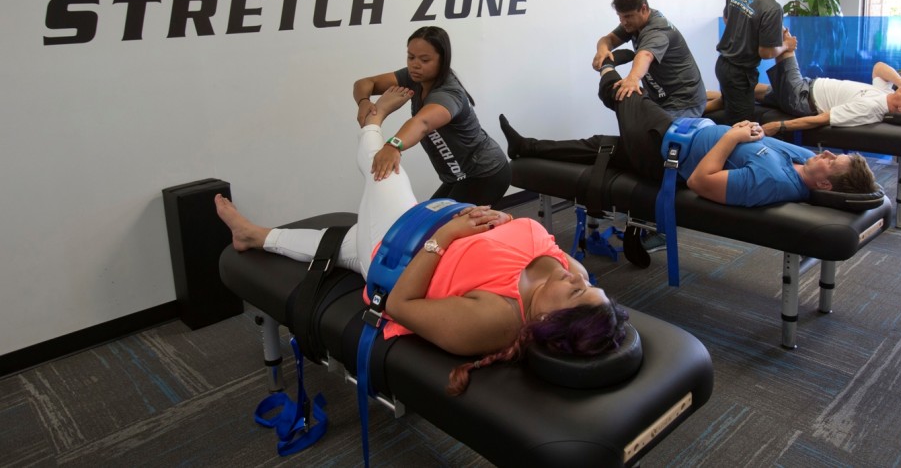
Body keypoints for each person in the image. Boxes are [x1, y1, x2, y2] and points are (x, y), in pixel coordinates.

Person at [215, 87, 629, 395]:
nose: (582, 280)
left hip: (396, 250)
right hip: (422, 224)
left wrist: (446, 238)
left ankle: (371, 122)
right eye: (593, 287)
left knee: (383, 171)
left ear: (547, 324)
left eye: (578, 295)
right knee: (340, 245)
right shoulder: (570, 273)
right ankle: (255, 236)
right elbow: (523, 245)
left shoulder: (496, 321)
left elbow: (399, 305)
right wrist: (503, 219)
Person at [500, 63, 877, 208]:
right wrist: (750, 130)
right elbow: (753, 134)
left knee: (629, 95)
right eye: (831, 154)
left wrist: (731, 138)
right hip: (675, 137)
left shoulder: (774, 183)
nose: (826, 154)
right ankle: (526, 147)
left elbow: (700, 181)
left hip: (664, 151)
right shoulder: (795, 164)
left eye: (832, 161)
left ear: (825, 186)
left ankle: (606, 63)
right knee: (597, 147)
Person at [353, 26, 510, 206]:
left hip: (485, 174)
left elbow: (422, 123)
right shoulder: (414, 77)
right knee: (428, 221)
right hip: (458, 175)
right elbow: (365, 83)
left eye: (425, 59)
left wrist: (393, 145)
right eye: (411, 57)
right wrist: (363, 101)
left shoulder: (448, 95)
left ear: (442, 61)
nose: (415, 64)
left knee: (435, 226)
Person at [706, 28, 901, 136]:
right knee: (741, 92)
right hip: (807, 86)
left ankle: (781, 40)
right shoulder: (883, 93)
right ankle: (699, 102)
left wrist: (780, 126)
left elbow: (822, 118)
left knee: (785, 42)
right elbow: (879, 67)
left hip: (802, 98)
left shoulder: (872, 108)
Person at [591, 0, 706, 118]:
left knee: (655, 136)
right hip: (662, 96)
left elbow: (645, 54)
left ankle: (707, 104)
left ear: (644, 8)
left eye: (627, 16)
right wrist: (602, 50)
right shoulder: (634, 22)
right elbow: (608, 39)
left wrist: (632, 79)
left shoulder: (657, 30)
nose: (623, 22)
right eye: (620, 16)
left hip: (684, 100)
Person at [716, 0, 799, 125]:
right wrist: (786, 45)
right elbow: (766, 52)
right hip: (740, 75)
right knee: (742, 127)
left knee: (729, 114)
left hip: (723, 66)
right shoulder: (773, 8)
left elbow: (727, 19)